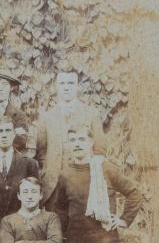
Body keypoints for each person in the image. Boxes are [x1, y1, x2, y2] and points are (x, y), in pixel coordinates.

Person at [34, 70, 107, 202]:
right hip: (53, 186)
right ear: (56, 86)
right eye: (62, 83)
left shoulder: (91, 113)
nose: (66, 87)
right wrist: (50, 170)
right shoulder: (47, 117)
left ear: (78, 86)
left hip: (84, 182)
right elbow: (41, 152)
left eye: (71, 83)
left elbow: (100, 150)